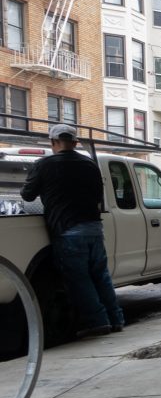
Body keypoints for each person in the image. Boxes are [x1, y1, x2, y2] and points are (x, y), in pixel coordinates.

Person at [21, 124, 124, 338]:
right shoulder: (89, 164)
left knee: (79, 279)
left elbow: (27, 195)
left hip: (67, 230)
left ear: (52, 142)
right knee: (101, 276)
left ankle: (98, 322)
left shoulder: (44, 165)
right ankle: (116, 319)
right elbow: (97, 195)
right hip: (94, 228)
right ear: (75, 143)